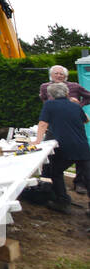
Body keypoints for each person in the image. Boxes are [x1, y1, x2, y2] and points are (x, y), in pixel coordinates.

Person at [35, 81, 90, 211]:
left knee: (56, 172)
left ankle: (62, 202)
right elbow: (86, 120)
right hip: (83, 147)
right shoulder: (75, 106)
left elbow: (43, 124)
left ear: (51, 95)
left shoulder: (49, 104)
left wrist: (37, 141)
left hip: (65, 146)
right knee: (88, 178)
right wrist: (77, 105)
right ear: (66, 93)